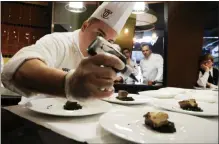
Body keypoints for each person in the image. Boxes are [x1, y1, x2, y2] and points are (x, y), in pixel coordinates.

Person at [1, 2, 135, 104]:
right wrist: (69, 83)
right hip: (35, 122)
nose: (102, 45)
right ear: (85, 26)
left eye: (109, 41)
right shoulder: (58, 41)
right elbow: (16, 70)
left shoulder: (106, 56)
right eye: (99, 35)